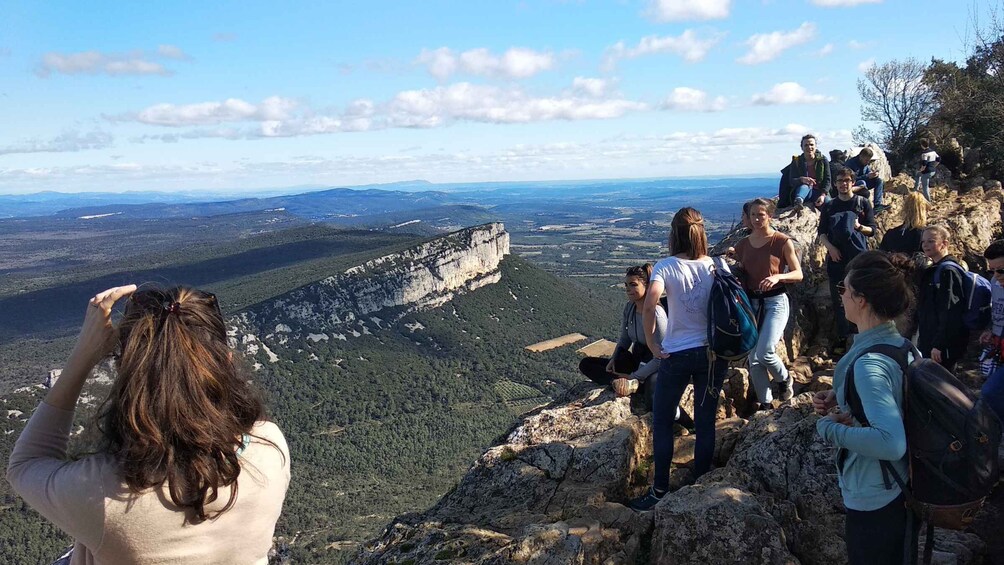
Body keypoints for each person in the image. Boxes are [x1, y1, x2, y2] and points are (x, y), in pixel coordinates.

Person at [7, 285, 291, 564]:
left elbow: (25, 464)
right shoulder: (269, 447)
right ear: (226, 364)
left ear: (124, 373)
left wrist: (82, 356)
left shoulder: (104, 491)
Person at [813, 250, 920, 565]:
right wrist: (844, 395)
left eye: (844, 289)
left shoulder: (869, 363)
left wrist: (828, 428)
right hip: (903, 490)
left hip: (876, 497)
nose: (841, 296)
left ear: (861, 300)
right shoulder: (903, 345)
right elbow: (898, 398)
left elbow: (891, 442)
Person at [629, 207, 729, 511]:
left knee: (661, 419)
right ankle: (699, 483)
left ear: (674, 234)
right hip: (713, 353)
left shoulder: (666, 266)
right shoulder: (716, 265)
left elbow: (650, 303)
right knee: (705, 420)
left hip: (677, 353)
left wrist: (651, 342)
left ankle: (659, 489)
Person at [731, 198, 803, 408]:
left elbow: (798, 273)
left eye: (760, 215)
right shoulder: (742, 244)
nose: (755, 219)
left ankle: (784, 379)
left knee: (765, 351)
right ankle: (766, 404)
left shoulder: (781, 241)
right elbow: (744, 267)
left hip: (776, 301)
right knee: (753, 359)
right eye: (752, 214)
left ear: (770, 216)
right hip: (751, 304)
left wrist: (778, 277)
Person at [818, 167, 876, 353]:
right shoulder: (829, 206)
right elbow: (822, 233)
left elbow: (872, 230)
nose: (843, 184)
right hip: (837, 259)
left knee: (862, 297)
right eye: (840, 180)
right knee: (839, 299)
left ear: (853, 182)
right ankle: (844, 338)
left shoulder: (862, 203)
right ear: (835, 184)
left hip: (858, 259)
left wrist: (859, 227)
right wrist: (831, 248)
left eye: (847, 180)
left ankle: (863, 335)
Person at [917, 225, 969, 371]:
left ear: (945, 243)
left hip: (941, 347)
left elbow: (951, 310)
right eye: (923, 242)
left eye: (931, 241)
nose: (925, 245)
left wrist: (940, 344)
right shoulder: (934, 270)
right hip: (931, 341)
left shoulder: (948, 271)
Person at [980, 240, 1004, 421]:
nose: (997, 276)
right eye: (992, 271)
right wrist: (991, 330)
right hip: (1000, 350)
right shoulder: (995, 284)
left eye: (1001, 270)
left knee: (990, 393)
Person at [787, 134, 832, 211]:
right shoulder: (797, 161)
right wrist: (802, 179)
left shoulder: (823, 160)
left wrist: (823, 195)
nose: (809, 147)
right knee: (805, 186)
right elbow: (791, 181)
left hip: (819, 192)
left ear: (816, 146)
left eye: (811, 145)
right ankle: (798, 202)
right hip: (804, 192)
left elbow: (828, 180)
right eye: (806, 145)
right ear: (802, 147)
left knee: (829, 205)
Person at [843, 147, 889, 213]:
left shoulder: (865, 164)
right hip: (853, 185)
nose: (867, 162)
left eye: (869, 160)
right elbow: (851, 179)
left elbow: (868, 172)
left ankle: (877, 205)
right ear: (861, 156)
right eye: (866, 160)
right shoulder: (851, 163)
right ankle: (863, 206)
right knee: (862, 182)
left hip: (864, 182)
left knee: (878, 181)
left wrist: (873, 175)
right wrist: (867, 176)